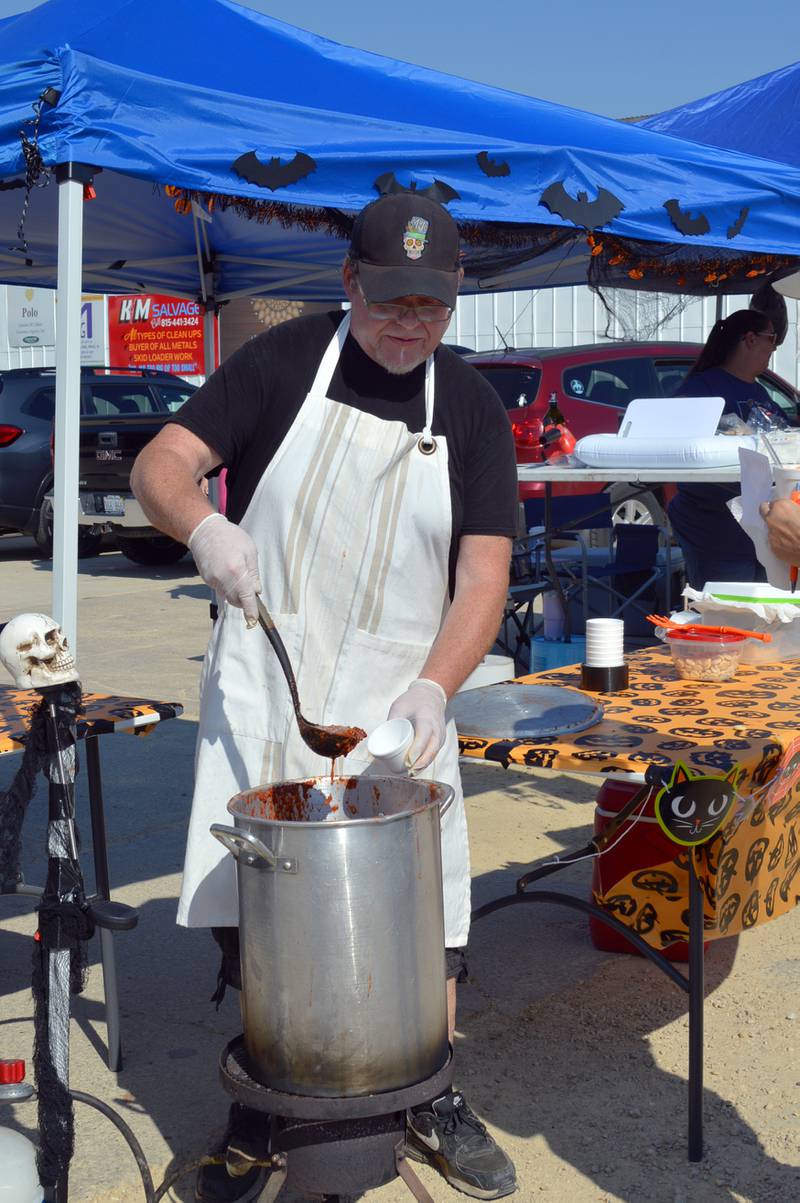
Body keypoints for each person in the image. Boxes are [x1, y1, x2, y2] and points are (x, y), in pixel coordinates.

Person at [131, 192, 520, 1202]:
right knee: (261, 915)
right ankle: (268, 1099)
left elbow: (482, 579)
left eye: (430, 307)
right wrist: (201, 531)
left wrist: (438, 688)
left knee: (425, 917)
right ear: (348, 283)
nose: (408, 324)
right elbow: (160, 464)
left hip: (400, 700)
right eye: (390, 300)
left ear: (455, 298)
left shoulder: (469, 408)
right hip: (273, 686)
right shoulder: (280, 363)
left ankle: (428, 1094)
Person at [667, 309, 785, 589]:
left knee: (763, 611)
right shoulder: (701, 389)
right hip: (715, 525)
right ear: (750, 339)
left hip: (761, 526)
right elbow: (674, 452)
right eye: (772, 338)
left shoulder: (759, 392)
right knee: (727, 612)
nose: (774, 347)